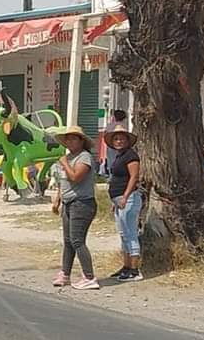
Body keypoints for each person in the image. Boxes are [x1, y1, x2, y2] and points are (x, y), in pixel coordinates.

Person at [52, 125, 99, 290]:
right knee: (68, 241)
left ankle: (89, 276)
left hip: (82, 203)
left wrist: (64, 163)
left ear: (81, 141)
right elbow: (62, 182)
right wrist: (57, 199)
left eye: (74, 138)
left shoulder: (84, 157)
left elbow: (76, 177)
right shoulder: (69, 157)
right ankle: (65, 273)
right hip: (68, 202)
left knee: (77, 240)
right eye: (68, 139)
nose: (70, 142)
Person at [104, 122, 142, 281]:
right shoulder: (119, 156)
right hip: (119, 199)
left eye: (122, 139)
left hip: (129, 198)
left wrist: (126, 196)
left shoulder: (131, 156)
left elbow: (134, 177)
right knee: (123, 234)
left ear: (127, 141)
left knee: (131, 233)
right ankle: (126, 267)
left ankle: (134, 270)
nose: (119, 141)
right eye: (116, 139)